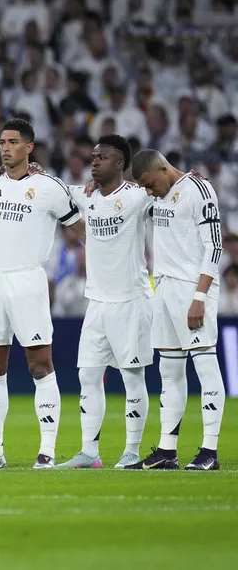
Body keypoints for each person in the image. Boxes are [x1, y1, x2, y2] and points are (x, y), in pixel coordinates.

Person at [0, 119, 85, 469]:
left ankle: (47, 451)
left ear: (29, 147)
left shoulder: (49, 187)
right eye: (1, 142)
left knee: (40, 365)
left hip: (28, 281)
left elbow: (81, 228)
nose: (5, 147)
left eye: (12, 141)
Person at [57, 136, 153, 470]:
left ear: (121, 164)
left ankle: (131, 451)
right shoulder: (87, 196)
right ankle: (89, 453)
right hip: (96, 302)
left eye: (103, 157)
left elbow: (171, 190)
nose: (94, 161)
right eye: (93, 156)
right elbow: (56, 188)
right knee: (88, 376)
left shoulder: (138, 197)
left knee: (132, 377)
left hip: (131, 299)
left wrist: (188, 177)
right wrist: (37, 170)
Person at [126, 150, 225, 471]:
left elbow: (215, 245)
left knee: (206, 368)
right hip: (164, 288)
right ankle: (167, 451)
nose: (148, 191)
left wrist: (200, 296)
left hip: (193, 289)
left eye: (149, 183)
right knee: (169, 373)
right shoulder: (155, 195)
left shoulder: (199, 190)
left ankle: (209, 451)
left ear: (163, 169)